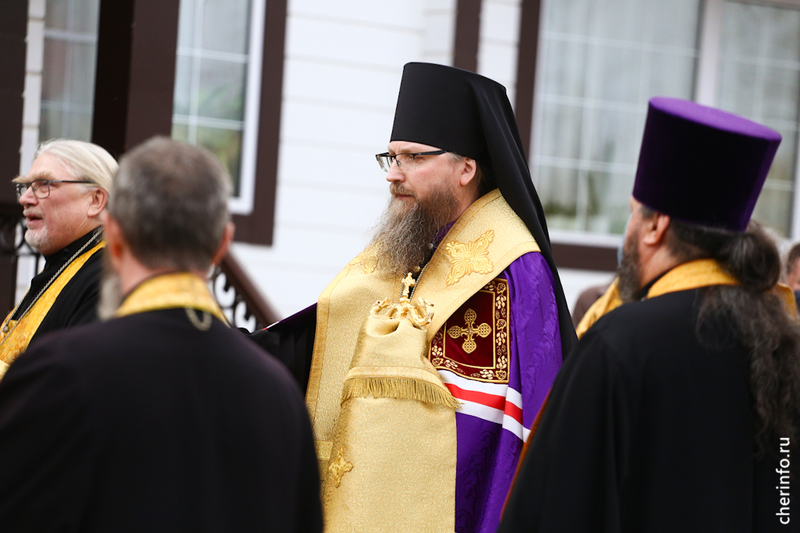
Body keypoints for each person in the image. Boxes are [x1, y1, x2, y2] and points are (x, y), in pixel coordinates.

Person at [257, 63, 576, 533]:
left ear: (466, 168)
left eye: (412, 158)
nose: (393, 175)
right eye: (390, 158)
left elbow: (489, 428)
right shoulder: (414, 240)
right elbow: (321, 331)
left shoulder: (509, 268)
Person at [499, 97, 800, 532]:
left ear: (656, 225)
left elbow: (559, 505)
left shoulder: (619, 342)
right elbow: (784, 498)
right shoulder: (779, 339)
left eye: (631, 214)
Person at [0, 137, 322, 532]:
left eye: (44, 184)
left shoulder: (60, 372)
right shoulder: (279, 394)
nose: (27, 197)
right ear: (222, 243)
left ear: (114, 234)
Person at [0, 140, 117, 377]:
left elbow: (73, 381)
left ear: (95, 200)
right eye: (26, 186)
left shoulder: (109, 278)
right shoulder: (63, 263)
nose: (25, 199)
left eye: (44, 185)